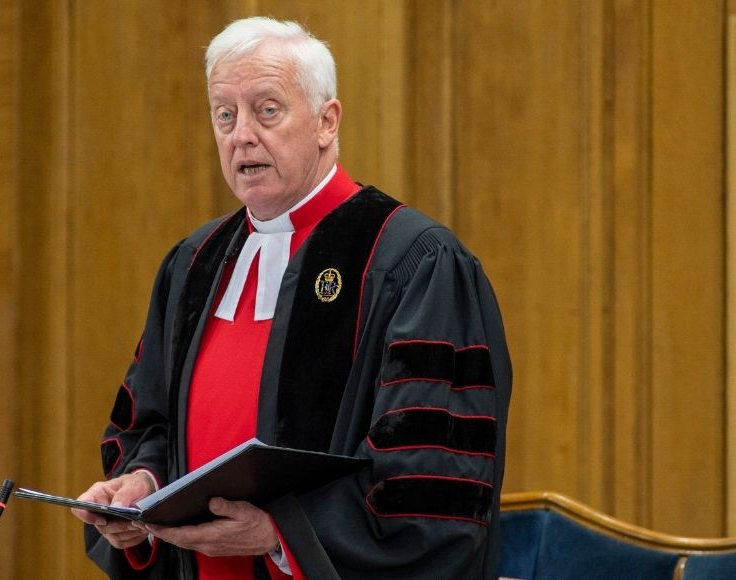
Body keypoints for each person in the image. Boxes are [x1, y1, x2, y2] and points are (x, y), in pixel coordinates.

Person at [72, 16, 512, 580]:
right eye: (224, 114)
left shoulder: (414, 263)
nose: (242, 136)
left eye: (267, 110)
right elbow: (147, 424)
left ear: (327, 122)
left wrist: (282, 534)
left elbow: (431, 484)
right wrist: (143, 485)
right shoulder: (194, 264)